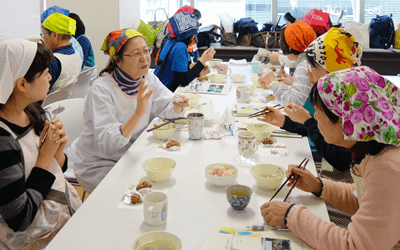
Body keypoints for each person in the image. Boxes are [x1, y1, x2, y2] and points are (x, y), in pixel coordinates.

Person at [261, 66, 400, 249]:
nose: (315, 115)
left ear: (344, 120)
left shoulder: (387, 167)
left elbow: (354, 245)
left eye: (318, 110)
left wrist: (291, 215)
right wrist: (319, 186)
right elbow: (363, 199)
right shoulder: (374, 148)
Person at [67, 29, 190, 193]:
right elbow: (108, 144)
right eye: (136, 53)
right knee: (139, 195)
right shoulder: (101, 89)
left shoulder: (148, 78)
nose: (145, 58)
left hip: (130, 153)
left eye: (146, 51)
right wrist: (138, 113)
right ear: (117, 60)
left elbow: (166, 105)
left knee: (169, 180)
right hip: (99, 163)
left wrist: (176, 106)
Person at [0, 39, 81, 249]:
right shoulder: (3, 139)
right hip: (32, 238)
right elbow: (20, 218)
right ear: (22, 84)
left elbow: (58, 168)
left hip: (61, 217)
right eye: (45, 72)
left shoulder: (33, 112)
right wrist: (45, 157)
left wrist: (57, 151)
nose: (50, 77)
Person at [258, 28, 363, 171]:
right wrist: (284, 121)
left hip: (339, 175)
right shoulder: (334, 95)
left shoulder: (347, 104)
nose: (307, 72)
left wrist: (308, 121)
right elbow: (318, 129)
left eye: (312, 67)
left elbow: (340, 160)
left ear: (331, 69)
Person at [258, 21, 316, 106]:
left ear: (289, 46)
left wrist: (273, 83)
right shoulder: (306, 60)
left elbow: (294, 102)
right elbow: (300, 93)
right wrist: (273, 86)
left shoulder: (303, 66)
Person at [154, 12, 215, 92]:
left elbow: (177, 72)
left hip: (158, 87)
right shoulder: (180, 47)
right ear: (190, 34)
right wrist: (202, 60)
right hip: (165, 92)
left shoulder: (171, 41)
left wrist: (196, 69)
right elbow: (183, 81)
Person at [41, 13, 82, 100]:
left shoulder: (54, 61)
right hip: (63, 105)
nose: (43, 38)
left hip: (46, 108)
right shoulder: (76, 55)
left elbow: (39, 93)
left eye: (43, 34)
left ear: (55, 35)